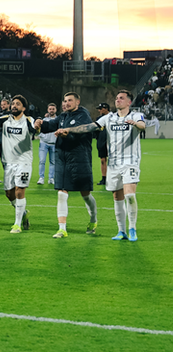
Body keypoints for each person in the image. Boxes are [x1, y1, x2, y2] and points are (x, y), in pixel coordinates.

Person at [53, 90, 144, 241]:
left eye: (121, 98)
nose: (117, 100)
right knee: (117, 197)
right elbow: (89, 127)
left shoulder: (135, 116)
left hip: (131, 161)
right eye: (116, 98)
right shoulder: (109, 117)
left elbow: (142, 125)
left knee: (129, 195)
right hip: (114, 163)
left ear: (129, 102)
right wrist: (69, 129)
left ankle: (132, 228)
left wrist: (136, 124)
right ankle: (121, 231)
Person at [35, 92, 98, 238]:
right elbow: (51, 125)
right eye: (64, 100)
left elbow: (82, 132)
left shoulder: (83, 115)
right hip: (62, 158)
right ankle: (62, 228)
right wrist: (40, 122)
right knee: (61, 193)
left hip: (80, 159)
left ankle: (93, 219)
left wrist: (67, 134)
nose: (66, 103)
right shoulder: (63, 116)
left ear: (77, 102)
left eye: (70, 100)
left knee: (85, 194)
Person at [0, 95, 38, 234]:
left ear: (24, 108)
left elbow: (34, 128)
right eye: (12, 104)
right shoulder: (5, 120)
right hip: (9, 163)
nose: (14, 106)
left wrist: (36, 128)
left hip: (24, 162)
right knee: (9, 194)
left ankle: (17, 225)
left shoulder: (28, 120)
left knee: (19, 191)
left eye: (17, 104)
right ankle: (24, 214)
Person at [36, 103, 57, 185]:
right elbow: (38, 131)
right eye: (50, 109)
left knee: (53, 162)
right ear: (48, 110)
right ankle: (41, 178)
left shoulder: (57, 120)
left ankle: (51, 178)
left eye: (53, 109)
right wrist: (43, 137)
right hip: (44, 143)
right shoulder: (43, 120)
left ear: (55, 110)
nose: (51, 110)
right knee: (42, 161)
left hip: (54, 144)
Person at [95, 102, 110, 186]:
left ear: (105, 109)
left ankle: (112, 177)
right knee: (102, 160)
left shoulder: (113, 118)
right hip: (101, 141)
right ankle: (104, 178)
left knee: (112, 160)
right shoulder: (98, 119)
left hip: (111, 142)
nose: (99, 110)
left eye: (100, 109)